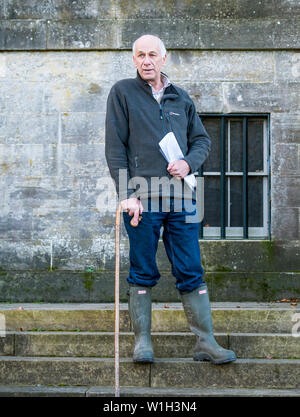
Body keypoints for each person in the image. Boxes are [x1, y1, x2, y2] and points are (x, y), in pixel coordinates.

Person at [105, 34, 236, 365]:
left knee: (191, 269)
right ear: (133, 60)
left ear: (164, 59)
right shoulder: (122, 92)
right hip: (142, 200)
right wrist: (126, 195)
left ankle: (205, 343)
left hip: (182, 200)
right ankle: (142, 344)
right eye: (139, 55)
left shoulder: (181, 97)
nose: (146, 60)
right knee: (142, 270)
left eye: (152, 54)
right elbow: (115, 148)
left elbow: (202, 140)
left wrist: (188, 162)